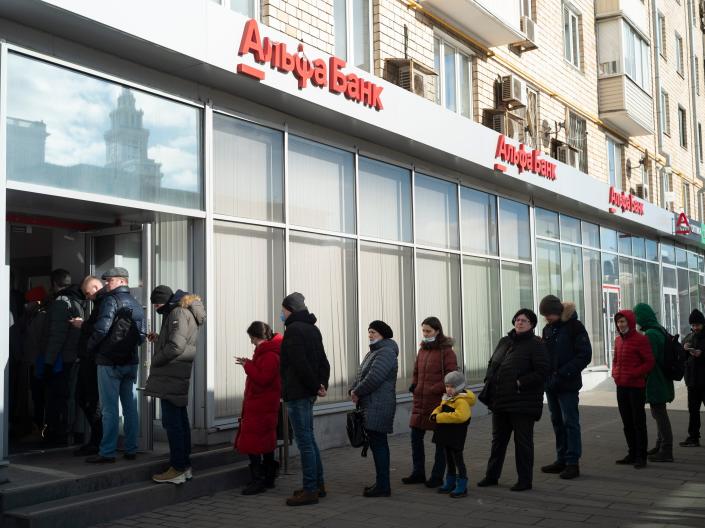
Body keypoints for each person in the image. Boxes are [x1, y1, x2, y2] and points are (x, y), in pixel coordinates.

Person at [477, 308, 548, 492]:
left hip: (522, 402)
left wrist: (520, 382)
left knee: (522, 443)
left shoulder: (536, 344)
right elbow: (493, 362)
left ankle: (524, 480)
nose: (520, 322)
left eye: (524, 320)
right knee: (498, 440)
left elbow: (542, 372)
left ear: (531, 324)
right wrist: (489, 379)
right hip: (500, 400)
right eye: (517, 319)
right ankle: (492, 476)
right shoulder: (505, 341)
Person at [145, 285, 206, 484]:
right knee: (180, 421)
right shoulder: (183, 310)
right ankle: (184, 466)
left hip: (171, 375)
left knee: (173, 424)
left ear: (163, 301)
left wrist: (156, 359)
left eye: (156, 304)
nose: (155, 308)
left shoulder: (177, 312)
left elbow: (176, 346)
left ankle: (178, 467)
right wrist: (159, 340)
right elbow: (177, 341)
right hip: (177, 374)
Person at [85, 267, 146, 463]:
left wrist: (90, 348)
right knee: (130, 408)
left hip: (109, 363)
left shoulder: (111, 300)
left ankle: (107, 452)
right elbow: (142, 335)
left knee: (109, 410)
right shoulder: (137, 304)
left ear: (122, 281)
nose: (106, 284)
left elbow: (101, 330)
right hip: (130, 362)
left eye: (109, 280)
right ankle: (131, 449)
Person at [279, 292, 330, 506]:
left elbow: (299, 364)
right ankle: (317, 484)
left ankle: (310, 490)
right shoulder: (312, 328)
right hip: (308, 392)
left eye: (282, 310)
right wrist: (321, 385)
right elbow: (323, 361)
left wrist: (312, 385)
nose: (281, 314)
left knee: (305, 442)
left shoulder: (293, 331)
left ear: (290, 309)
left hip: (298, 393)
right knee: (310, 439)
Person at [538, 295, 592, 480]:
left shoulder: (575, 327)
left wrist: (563, 372)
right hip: (551, 384)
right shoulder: (547, 330)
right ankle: (561, 458)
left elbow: (585, 355)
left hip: (567, 384)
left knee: (570, 422)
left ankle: (572, 462)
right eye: (545, 315)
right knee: (557, 422)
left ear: (557, 311)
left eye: (549, 314)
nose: (547, 318)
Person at [403, 316, 458, 489]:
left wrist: (435, 388)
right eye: (423, 331)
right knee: (415, 438)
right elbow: (417, 371)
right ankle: (418, 472)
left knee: (440, 442)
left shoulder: (447, 351)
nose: (425, 334)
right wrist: (414, 384)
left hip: (438, 402)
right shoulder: (423, 350)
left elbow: (452, 377)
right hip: (420, 401)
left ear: (437, 331)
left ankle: (437, 476)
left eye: (428, 331)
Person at [349, 320, 399, 498]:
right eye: (369, 332)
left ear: (383, 334)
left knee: (379, 444)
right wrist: (353, 389)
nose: (370, 335)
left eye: (374, 332)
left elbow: (374, 378)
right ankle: (381, 483)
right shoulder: (374, 352)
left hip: (380, 405)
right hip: (371, 404)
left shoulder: (386, 352)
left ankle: (383, 486)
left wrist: (357, 391)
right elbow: (361, 374)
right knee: (377, 443)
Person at [235, 321, 283, 495]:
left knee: (253, 444)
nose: (251, 342)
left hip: (260, 406)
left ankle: (259, 480)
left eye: (252, 338)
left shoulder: (269, 355)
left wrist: (247, 366)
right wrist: (248, 362)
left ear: (257, 337)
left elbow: (263, 379)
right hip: (263, 405)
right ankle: (268, 478)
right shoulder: (268, 352)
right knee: (265, 443)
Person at [42, 269, 86, 446]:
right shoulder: (77, 299)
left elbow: (57, 335)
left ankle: (61, 434)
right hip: (73, 356)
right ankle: (70, 432)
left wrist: (48, 361)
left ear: (53, 284)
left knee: (61, 397)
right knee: (69, 396)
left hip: (63, 359)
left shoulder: (61, 302)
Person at [612, 310, 654, 468]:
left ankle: (641, 456)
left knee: (638, 421)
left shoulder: (641, 339)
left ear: (630, 322)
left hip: (636, 387)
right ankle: (632, 452)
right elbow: (615, 359)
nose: (620, 325)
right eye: (618, 322)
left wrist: (634, 373)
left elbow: (649, 362)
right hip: (621, 385)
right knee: (627, 421)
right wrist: (615, 373)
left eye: (623, 321)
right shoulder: (618, 340)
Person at [633, 303, 675, 463]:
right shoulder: (659, 330)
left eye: (637, 317)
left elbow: (649, 359)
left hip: (656, 380)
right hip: (662, 378)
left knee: (659, 414)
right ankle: (660, 445)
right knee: (659, 413)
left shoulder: (651, 334)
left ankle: (666, 449)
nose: (636, 321)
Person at [71, 276, 107, 456]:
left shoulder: (105, 302)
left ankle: (98, 441)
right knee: (85, 398)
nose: (87, 297)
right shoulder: (101, 302)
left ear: (95, 286)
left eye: (88, 293)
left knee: (90, 400)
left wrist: (82, 324)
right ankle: (97, 440)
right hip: (89, 358)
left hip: (93, 359)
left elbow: (99, 330)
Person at [431, 370, 476, 499]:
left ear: (459, 387)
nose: (449, 389)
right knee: (448, 458)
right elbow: (440, 407)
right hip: (446, 433)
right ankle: (450, 480)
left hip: (456, 434)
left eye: (452, 386)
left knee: (457, 459)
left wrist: (440, 417)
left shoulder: (461, 401)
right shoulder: (447, 397)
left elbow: (461, 416)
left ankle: (462, 483)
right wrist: (434, 414)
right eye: (447, 386)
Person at [681, 309, 705, 447]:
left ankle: (693, 437)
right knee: (693, 411)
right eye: (693, 325)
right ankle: (693, 437)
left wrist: (702, 354)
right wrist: (684, 349)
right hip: (692, 381)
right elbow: (681, 357)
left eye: (698, 325)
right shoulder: (689, 337)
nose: (695, 327)